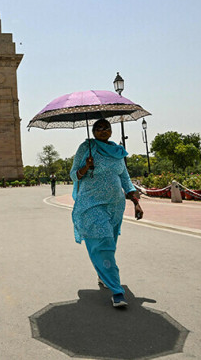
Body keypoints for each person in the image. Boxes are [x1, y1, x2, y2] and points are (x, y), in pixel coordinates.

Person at [70, 119, 143, 308]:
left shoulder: (117, 151)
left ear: (111, 131)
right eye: (98, 128)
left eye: (106, 128)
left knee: (109, 243)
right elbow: (73, 175)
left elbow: (125, 178)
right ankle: (117, 291)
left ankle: (104, 274)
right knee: (104, 242)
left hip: (115, 205)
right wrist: (86, 166)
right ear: (93, 131)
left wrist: (135, 202)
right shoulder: (86, 148)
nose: (103, 131)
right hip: (92, 204)